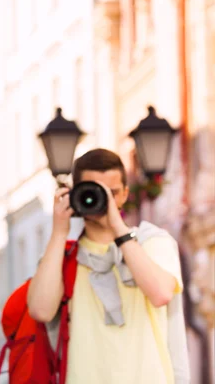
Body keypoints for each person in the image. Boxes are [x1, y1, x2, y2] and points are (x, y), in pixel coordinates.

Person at [27, 148, 186, 384]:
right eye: (91, 192)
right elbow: (40, 311)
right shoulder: (62, 255)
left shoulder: (151, 241)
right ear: (74, 194)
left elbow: (161, 294)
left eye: (110, 194)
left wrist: (118, 228)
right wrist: (59, 232)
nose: (101, 201)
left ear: (124, 194)